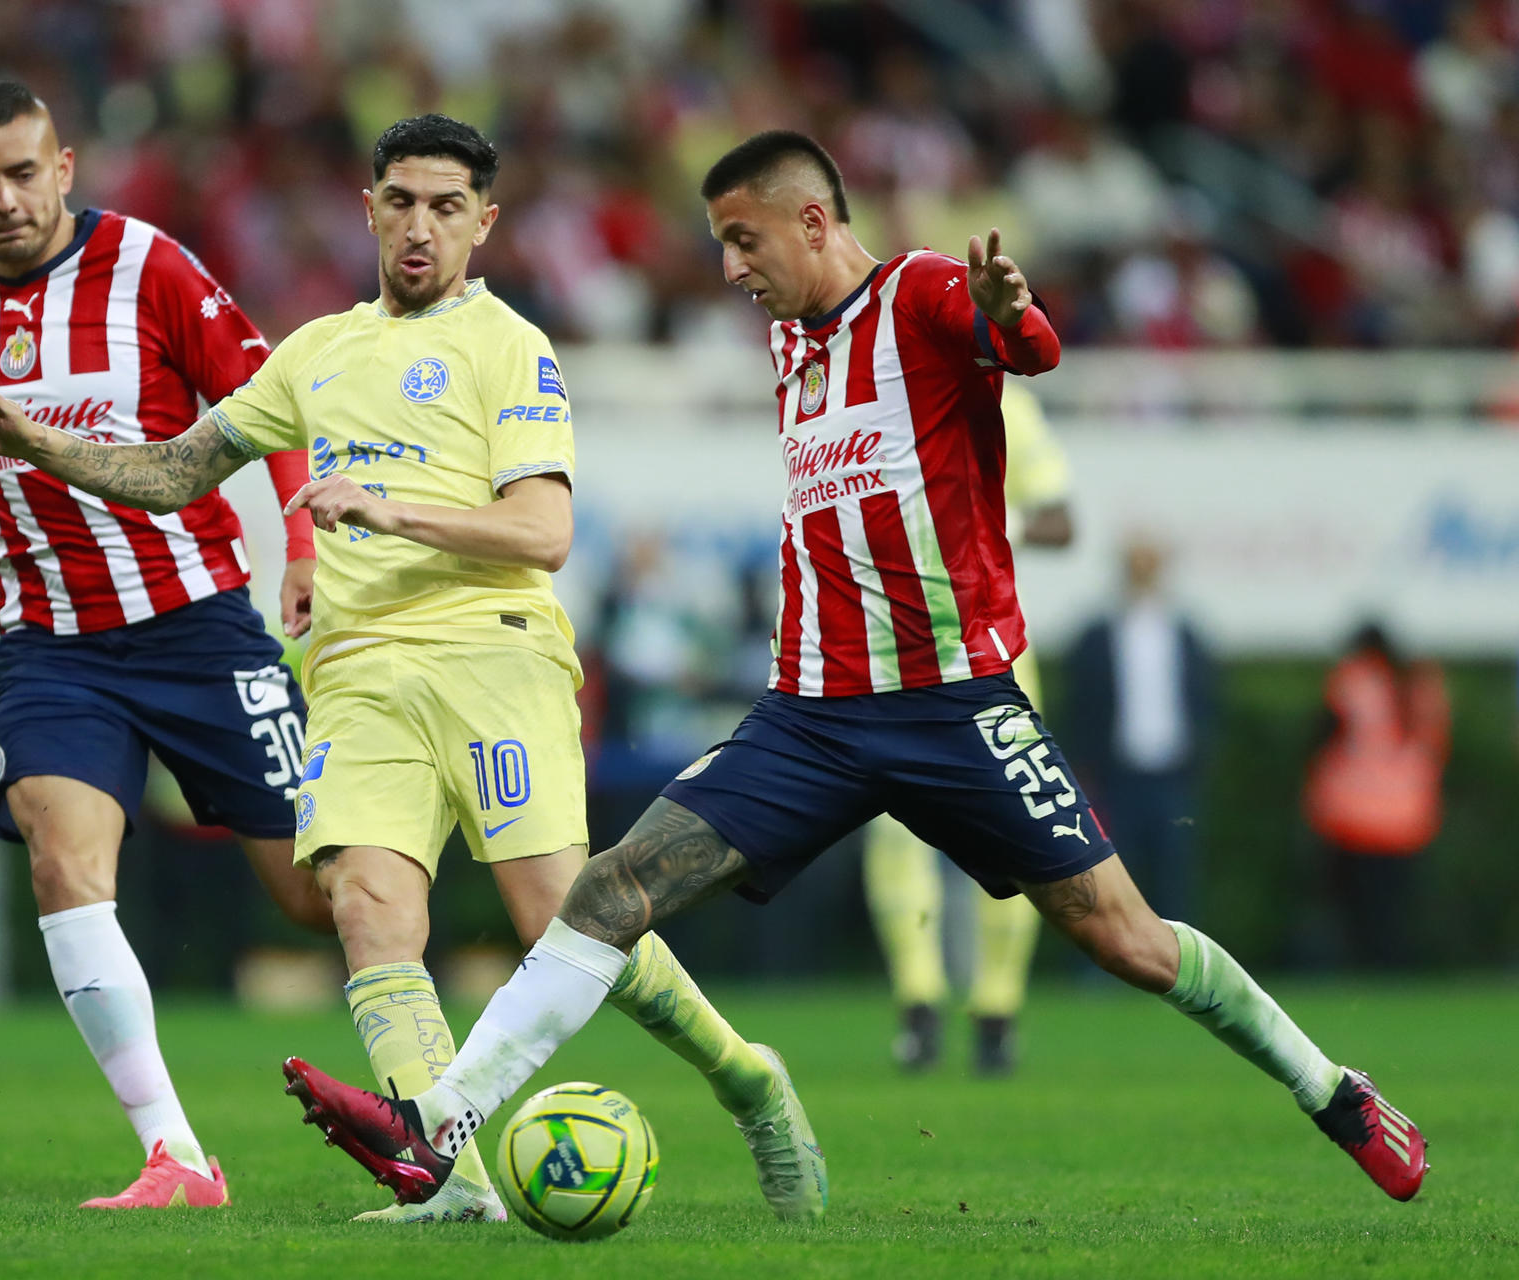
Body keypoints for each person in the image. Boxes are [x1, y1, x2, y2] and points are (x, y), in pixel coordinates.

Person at [280, 130, 1429, 1208]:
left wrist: (1013, 319)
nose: (730, 269)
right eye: (721, 243)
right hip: (812, 716)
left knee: (1125, 938)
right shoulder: (794, 338)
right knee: (608, 890)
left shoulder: (926, 292)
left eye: (745, 240)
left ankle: (1331, 1086)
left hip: (954, 706)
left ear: (815, 221)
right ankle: (438, 1125)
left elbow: (1024, 348)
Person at [0, 114, 826, 1226]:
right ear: (370, 209)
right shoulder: (317, 352)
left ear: (484, 222)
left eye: (446, 206)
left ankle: (746, 1076)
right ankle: (455, 1184)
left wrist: (383, 507)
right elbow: (174, 470)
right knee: (368, 906)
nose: (420, 226)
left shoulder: (511, 347)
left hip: (491, 649)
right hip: (357, 669)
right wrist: (32, 439)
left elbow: (542, 531)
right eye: (401, 201)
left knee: (561, 922)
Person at [0, 80, 329, 1210]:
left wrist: (305, 541)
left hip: (200, 624)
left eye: (23, 173)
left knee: (324, 898)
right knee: (62, 858)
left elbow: (268, 398)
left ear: (64, 167)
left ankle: (442, 1100)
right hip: (56, 646)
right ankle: (177, 1155)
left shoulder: (151, 266)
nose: (4, 199)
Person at [866, 379, 1072, 1075]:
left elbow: (1059, 519)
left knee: (1020, 834)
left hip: (991, 652)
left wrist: (983, 523)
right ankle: (918, 1003)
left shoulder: (1001, 399)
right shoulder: (872, 389)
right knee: (895, 839)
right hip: (892, 652)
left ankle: (996, 1008)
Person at [1065, 536, 1215, 924]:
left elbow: (1205, 701)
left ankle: (1179, 967)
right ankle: (1101, 968)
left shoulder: (1185, 633)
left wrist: (1199, 756)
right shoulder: (1097, 635)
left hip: (1173, 775)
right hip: (1115, 776)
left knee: (1173, 877)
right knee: (1108, 875)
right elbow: (1082, 705)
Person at [1304, 622, 1449, 970]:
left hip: (1352, 813)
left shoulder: (1353, 681)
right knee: (1396, 905)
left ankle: (1363, 968)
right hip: (1408, 815)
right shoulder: (1421, 684)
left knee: (1356, 905)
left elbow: (1322, 737)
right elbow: (1437, 746)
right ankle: (1394, 966)